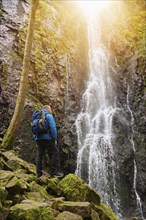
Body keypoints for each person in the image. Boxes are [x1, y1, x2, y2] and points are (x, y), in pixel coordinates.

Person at [34, 105, 63, 178]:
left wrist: (36, 140)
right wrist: (55, 139)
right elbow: (53, 128)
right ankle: (54, 172)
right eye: (50, 109)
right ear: (48, 109)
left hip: (39, 139)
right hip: (47, 138)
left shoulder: (37, 116)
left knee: (40, 155)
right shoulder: (49, 116)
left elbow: (34, 129)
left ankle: (38, 173)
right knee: (55, 153)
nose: (51, 110)